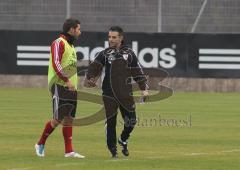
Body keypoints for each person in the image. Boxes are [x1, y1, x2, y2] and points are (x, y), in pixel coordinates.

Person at [86, 26, 149, 158]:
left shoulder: (130, 54)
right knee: (111, 122)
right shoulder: (105, 53)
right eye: (109, 37)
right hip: (109, 93)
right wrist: (91, 79)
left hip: (125, 94)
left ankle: (123, 139)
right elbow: (94, 67)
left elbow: (137, 72)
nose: (111, 39)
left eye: (114, 37)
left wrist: (144, 89)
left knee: (131, 121)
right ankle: (113, 150)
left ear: (121, 38)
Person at [35, 18, 85, 158]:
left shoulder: (71, 46)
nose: (80, 32)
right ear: (72, 30)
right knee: (58, 119)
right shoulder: (58, 43)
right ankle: (40, 143)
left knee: (69, 119)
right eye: (78, 29)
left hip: (70, 88)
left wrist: (73, 83)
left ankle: (69, 151)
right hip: (59, 86)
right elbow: (56, 63)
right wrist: (66, 80)